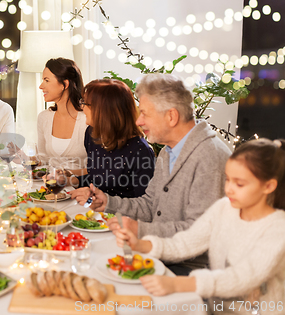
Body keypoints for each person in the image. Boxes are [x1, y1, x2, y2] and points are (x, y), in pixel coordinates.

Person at [71, 73, 231, 275]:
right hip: (159, 253)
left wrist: (141, 231)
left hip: (191, 270)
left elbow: (198, 233)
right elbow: (149, 204)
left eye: (145, 114)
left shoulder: (209, 158)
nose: (138, 121)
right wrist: (108, 202)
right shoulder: (168, 151)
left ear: (171, 116)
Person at [114, 139, 285, 313]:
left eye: (239, 184)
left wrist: (178, 283)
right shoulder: (224, 208)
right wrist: (142, 244)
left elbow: (242, 277)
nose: (229, 189)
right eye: (227, 180)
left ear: (269, 186)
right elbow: (187, 242)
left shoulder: (278, 229)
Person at [73, 79, 155, 197]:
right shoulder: (92, 134)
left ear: (103, 110)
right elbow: (98, 179)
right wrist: (73, 181)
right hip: (95, 212)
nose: (82, 108)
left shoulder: (140, 151)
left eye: (85, 103)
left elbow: (144, 204)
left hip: (121, 215)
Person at [37, 58, 87, 173]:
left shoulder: (87, 119)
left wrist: (67, 176)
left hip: (82, 187)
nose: (41, 86)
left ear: (65, 84)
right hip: (52, 186)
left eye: (46, 80)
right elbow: (43, 159)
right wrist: (22, 158)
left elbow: (98, 169)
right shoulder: (44, 117)